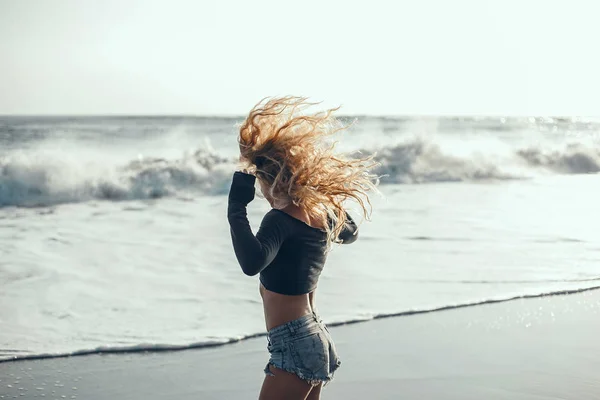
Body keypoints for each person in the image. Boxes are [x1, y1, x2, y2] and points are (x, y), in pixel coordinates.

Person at [227, 96, 377, 400]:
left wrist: (235, 209)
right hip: (314, 337)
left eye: (260, 185)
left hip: (294, 343)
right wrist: (321, 196)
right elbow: (349, 233)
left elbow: (252, 262)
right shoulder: (319, 214)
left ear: (271, 181)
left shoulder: (279, 220)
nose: (262, 193)